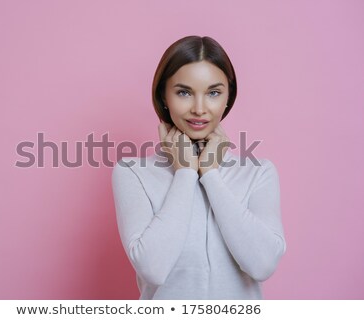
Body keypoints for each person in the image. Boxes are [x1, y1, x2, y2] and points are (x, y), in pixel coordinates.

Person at [111, 35, 286, 299]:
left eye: (213, 93)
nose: (200, 109)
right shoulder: (132, 173)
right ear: (164, 96)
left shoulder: (258, 172)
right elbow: (154, 269)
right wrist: (184, 172)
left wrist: (211, 174)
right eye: (184, 92)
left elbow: (262, 265)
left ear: (228, 97)